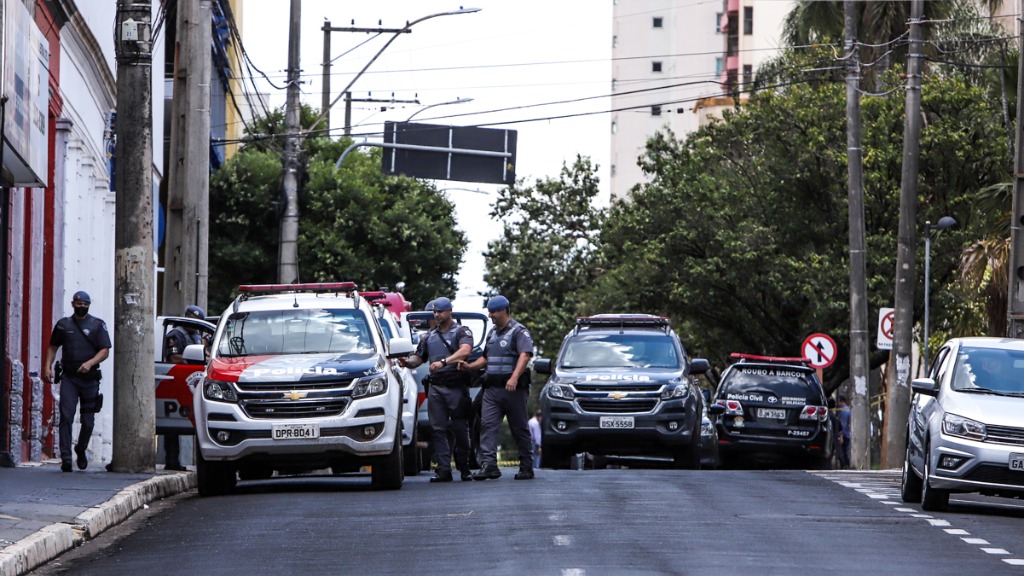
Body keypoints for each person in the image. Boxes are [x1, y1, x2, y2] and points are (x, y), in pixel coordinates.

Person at [398, 297, 474, 482]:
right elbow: (419, 358)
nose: (437, 315)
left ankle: (464, 467)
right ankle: (443, 469)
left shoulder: (461, 331)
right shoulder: (429, 336)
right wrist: (408, 362)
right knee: (438, 429)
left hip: (456, 386)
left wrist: (443, 362)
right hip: (436, 387)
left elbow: (465, 351)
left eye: (440, 311)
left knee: (459, 427)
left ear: (449, 311)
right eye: (435, 312)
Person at [459, 295, 535, 481]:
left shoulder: (519, 331)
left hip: (513, 390)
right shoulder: (492, 333)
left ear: (504, 311)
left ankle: (526, 466)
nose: (490, 314)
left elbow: (525, 355)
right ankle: (489, 465)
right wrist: (470, 367)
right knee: (487, 426)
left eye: (493, 311)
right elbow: (486, 358)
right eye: (489, 311)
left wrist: (514, 377)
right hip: (492, 390)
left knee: (519, 427)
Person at [44, 291, 111, 472]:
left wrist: (89, 364)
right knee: (66, 416)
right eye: (78, 304)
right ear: (73, 304)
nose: (81, 307)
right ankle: (66, 457)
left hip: (89, 381)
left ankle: (80, 449)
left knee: (88, 421)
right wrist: (47, 367)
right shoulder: (63, 325)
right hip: (69, 378)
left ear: (89, 305)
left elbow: (105, 350)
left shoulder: (97, 325)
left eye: (85, 304)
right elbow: (52, 346)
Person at [161, 305, 207, 471]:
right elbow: (173, 357)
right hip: (175, 382)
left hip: (190, 385)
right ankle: (171, 460)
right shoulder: (176, 335)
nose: (194, 324)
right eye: (192, 320)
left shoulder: (196, 335)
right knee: (171, 424)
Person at [836, 395, 851, 469]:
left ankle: (845, 466)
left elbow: (843, 425)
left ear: (842, 401)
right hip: (847, 434)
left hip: (845, 435)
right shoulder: (847, 410)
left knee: (844, 452)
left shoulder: (844, 411)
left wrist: (841, 435)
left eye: (839, 402)